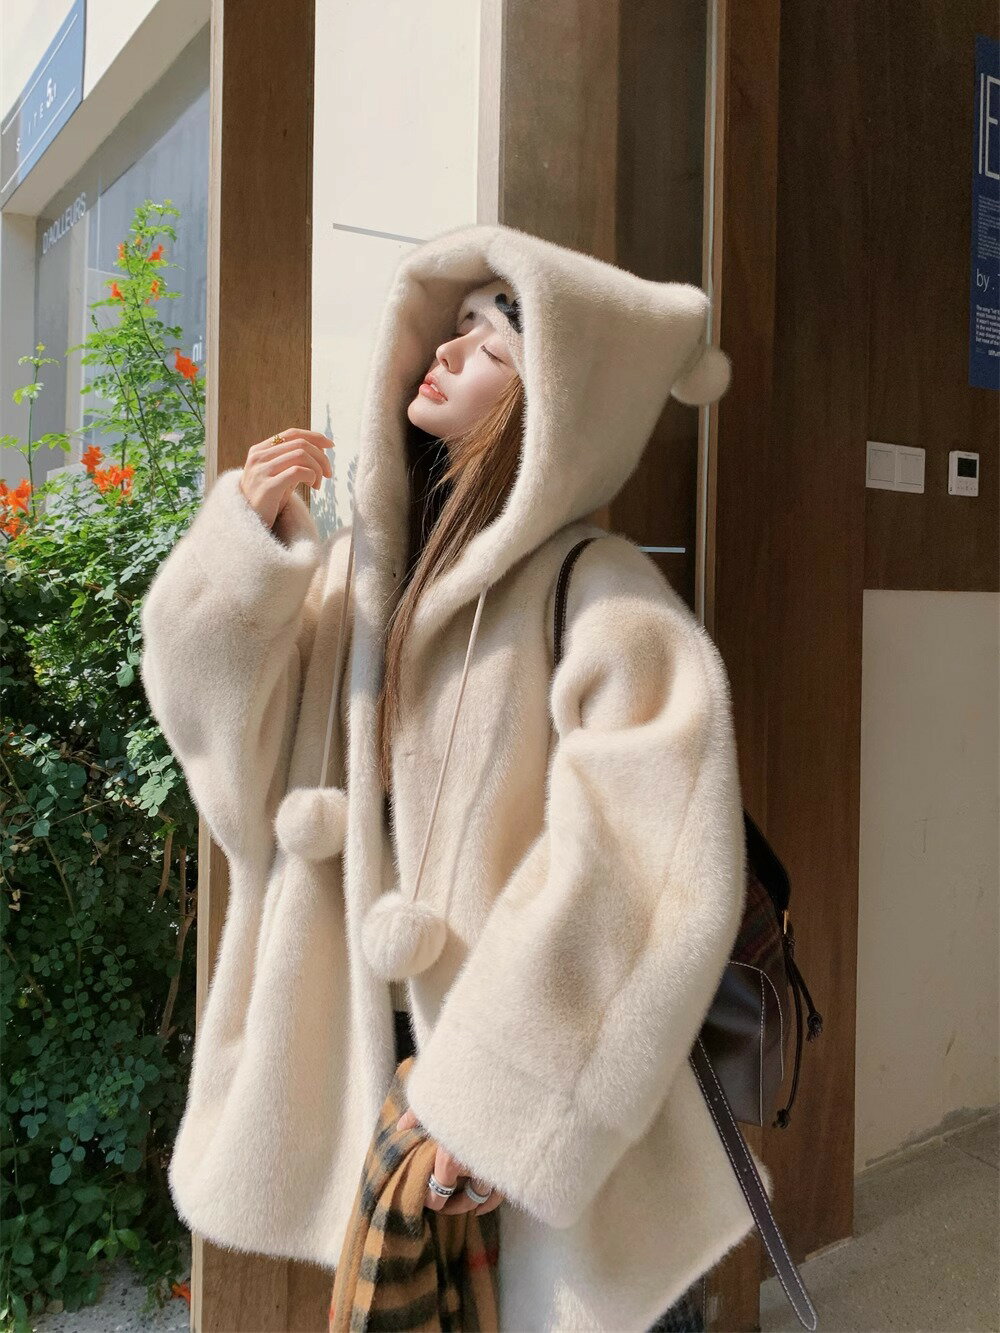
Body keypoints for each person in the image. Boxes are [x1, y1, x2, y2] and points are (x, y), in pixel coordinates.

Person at [139, 221, 771, 1332]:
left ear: (555, 404)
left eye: (489, 346)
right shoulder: (359, 579)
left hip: (531, 1082)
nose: (444, 351)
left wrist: (490, 1103)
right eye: (454, 327)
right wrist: (244, 560)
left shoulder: (602, 593)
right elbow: (225, 752)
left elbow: (641, 870)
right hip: (374, 1060)